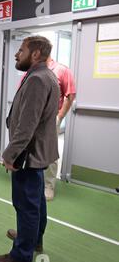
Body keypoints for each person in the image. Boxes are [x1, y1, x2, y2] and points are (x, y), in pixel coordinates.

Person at [0, 36, 59, 262]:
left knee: (26, 204)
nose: (17, 54)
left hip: (29, 155)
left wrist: (10, 155)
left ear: (36, 54)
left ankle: (21, 256)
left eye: (21, 50)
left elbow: (27, 126)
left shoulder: (38, 79)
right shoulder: (45, 75)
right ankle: (33, 239)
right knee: (36, 200)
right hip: (38, 153)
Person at [44, 58, 76, 201]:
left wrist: (59, 117)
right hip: (33, 118)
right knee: (32, 150)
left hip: (51, 118)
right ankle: (34, 181)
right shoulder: (33, 70)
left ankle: (49, 185)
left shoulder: (62, 70)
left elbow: (70, 95)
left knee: (50, 153)